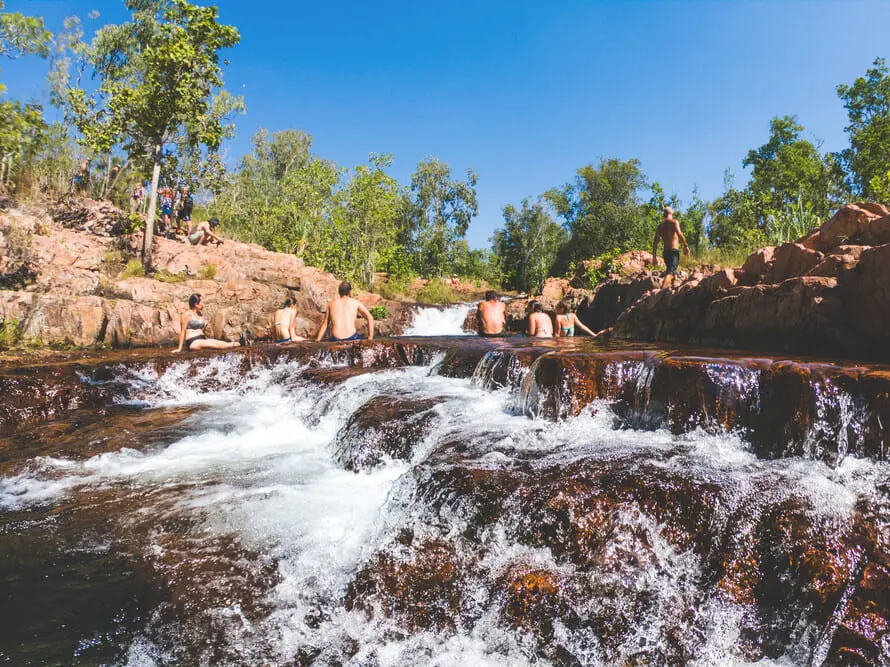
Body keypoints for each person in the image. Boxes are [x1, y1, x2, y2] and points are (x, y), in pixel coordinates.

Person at [174, 293, 249, 353]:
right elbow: (182, 331)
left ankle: (239, 342)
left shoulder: (200, 314)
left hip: (201, 338)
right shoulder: (186, 314)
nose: (203, 303)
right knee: (215, 344)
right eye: (201, 302)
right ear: (196, 304)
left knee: (217, 342)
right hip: (193, 342)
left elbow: (202, 329)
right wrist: (179, 349)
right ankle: (239, 343)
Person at [653, 205, 690, 289]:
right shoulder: (674, 222)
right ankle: (662, 292)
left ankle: (670, 290)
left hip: (665, 253)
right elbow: (679, 234)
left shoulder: (660, 226)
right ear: (671, 213)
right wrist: (685, 246)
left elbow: (655, 242)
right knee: (671, 273)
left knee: (670, 271)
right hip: (673, 252)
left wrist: (654, 256)